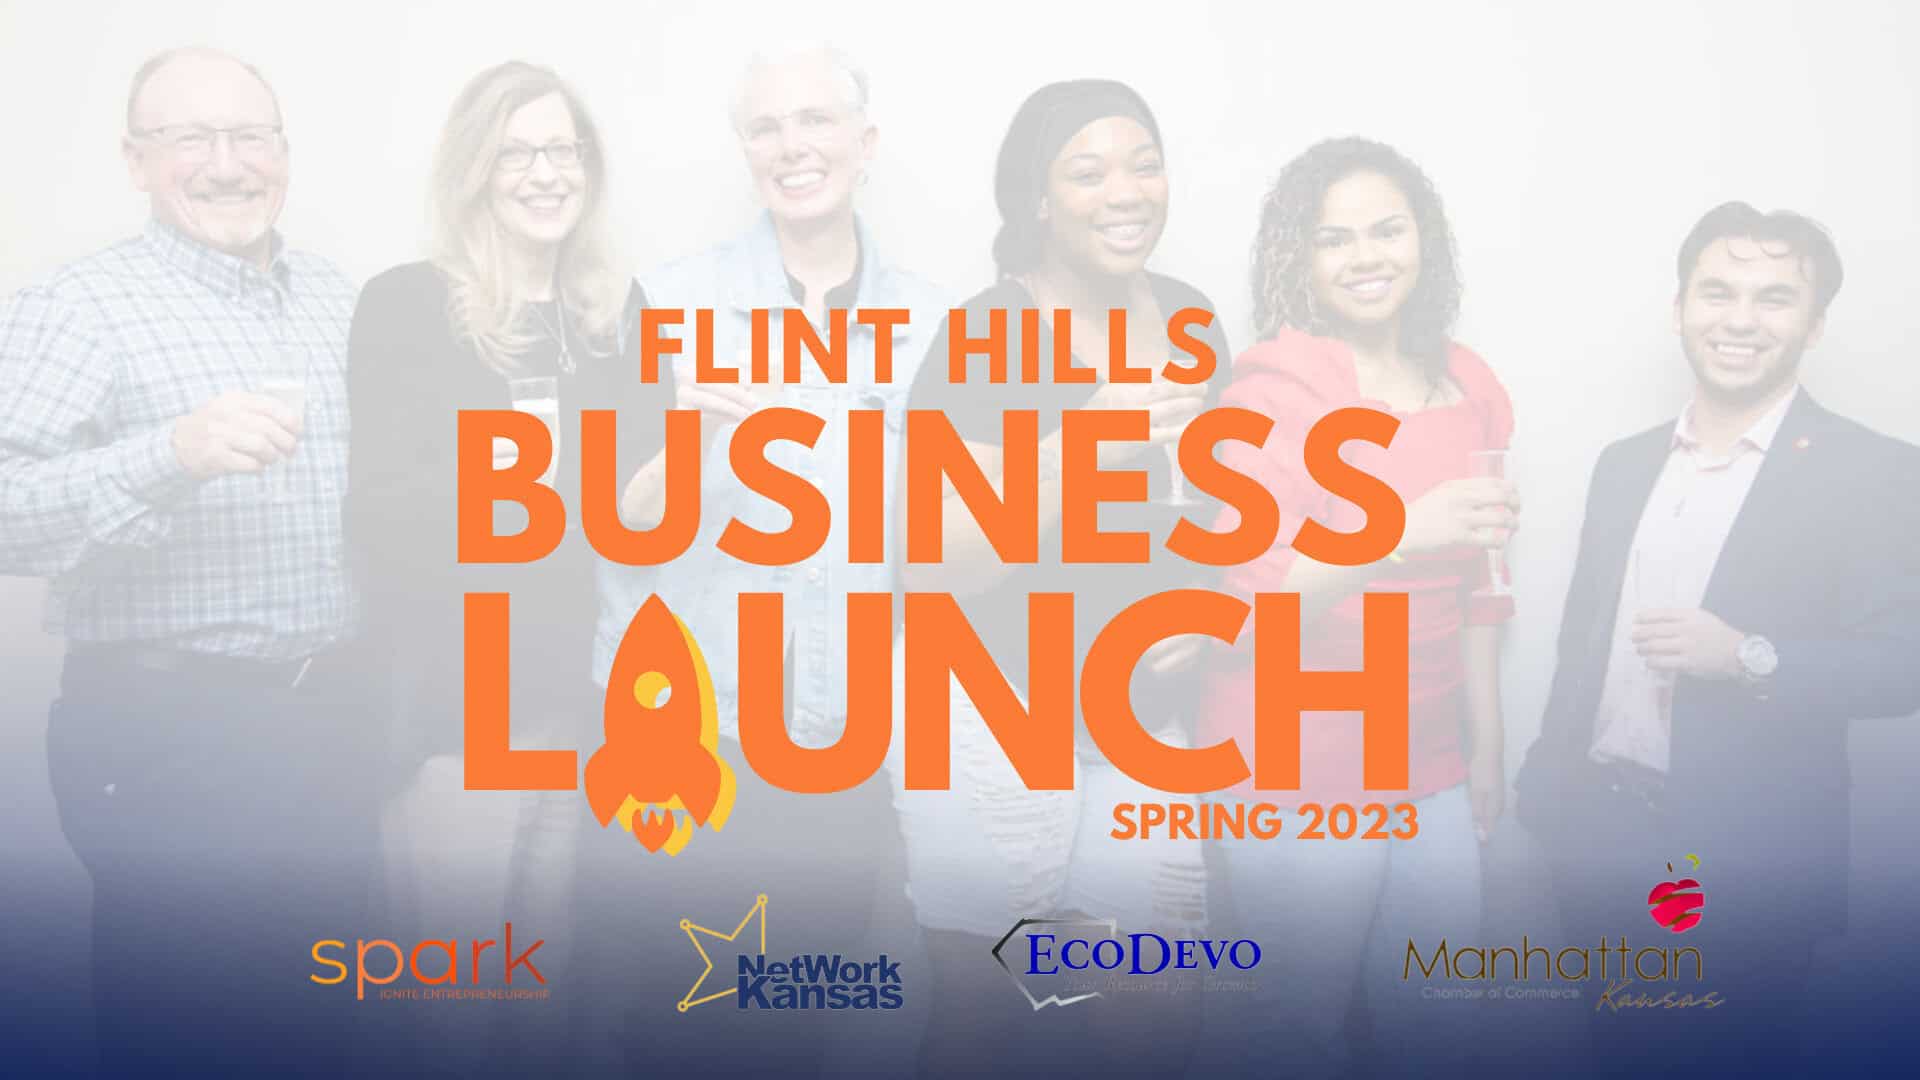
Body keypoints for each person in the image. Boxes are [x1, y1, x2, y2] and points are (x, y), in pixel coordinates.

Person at [572, 43, 943, 1077]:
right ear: (745, 149)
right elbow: (611, 523)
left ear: (864, 146)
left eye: (816, 122)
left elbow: (946, 537)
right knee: (671, 1023)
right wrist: (684, 433)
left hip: (836, 735)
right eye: (768, 128)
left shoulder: (934, 324)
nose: (793, 147)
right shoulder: (668, 301)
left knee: (796, 1018)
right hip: (691, 735)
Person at [0, 47, 372, 1074]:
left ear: (284, 152)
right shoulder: (80, 306)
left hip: (328, 729)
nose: (225, 163)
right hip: (169, 736)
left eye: (249, 135)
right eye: (190, 139)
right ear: (136, 160)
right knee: (186, 1038)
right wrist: (168, 456)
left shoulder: (340, 303)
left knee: (320, 1036)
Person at [1515, 203, 1920, 1072]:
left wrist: (1743, 656)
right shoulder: (1623, 463)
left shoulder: (1877, 470)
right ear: (1679, 309)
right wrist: (1549, 793)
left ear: (1813, 327)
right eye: (1718, 292)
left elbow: (1905, 664)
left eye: (1775, 298)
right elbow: (1582, 641)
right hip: (1600, 839)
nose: (1740, 318)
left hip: (1746, 860)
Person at [893, 78, 1231, 1078]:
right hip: (993, 713)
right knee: (988, 1022)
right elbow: (931, 563)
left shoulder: (1191, 320)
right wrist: (1093, 437)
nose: (1125, 191)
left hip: (1139, 718)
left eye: (1143, 163)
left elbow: (1213, 510)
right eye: (1087, 172)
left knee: (1151, 1012)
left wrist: (1211, 605)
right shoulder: (984, 335)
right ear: (1037, 201)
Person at [343, 61, 660, 1074]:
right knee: (459, 1014)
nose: (544, 173)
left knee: (549, 1002)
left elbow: (634, 528)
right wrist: (546, 483)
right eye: (517, 150)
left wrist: (689, 443)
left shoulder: (612, 314)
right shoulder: (407, 307)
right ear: (476, 171)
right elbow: (384, 523)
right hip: (459, 708)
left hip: (580, 703)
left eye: (561, 148)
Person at [1195, 137, 1521, 1077]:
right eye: (1335, 239)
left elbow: (1484, 589)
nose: (1367, 256)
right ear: (1299, 260)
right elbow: (1246, 606)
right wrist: (1396, 535)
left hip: (1431, 761)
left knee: (1444, 1025)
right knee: (1299, 1034)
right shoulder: (1272, 391)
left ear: (1426, 239)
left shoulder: (1472, 385)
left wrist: (1484, 745)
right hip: (1298, 764)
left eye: (1387, 229)